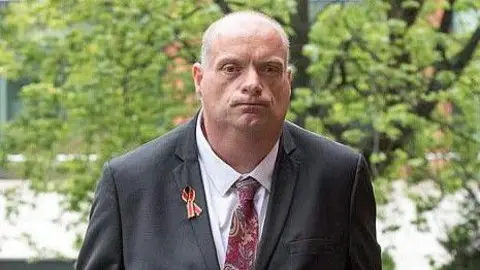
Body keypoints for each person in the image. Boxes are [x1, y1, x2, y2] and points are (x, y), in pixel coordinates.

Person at [76, 11, 381, 270]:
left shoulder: (339, 178)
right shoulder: (130, 184)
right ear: (199, 79)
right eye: (231, 68)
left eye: (269, 69)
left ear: (288, 82)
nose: (252, 84)